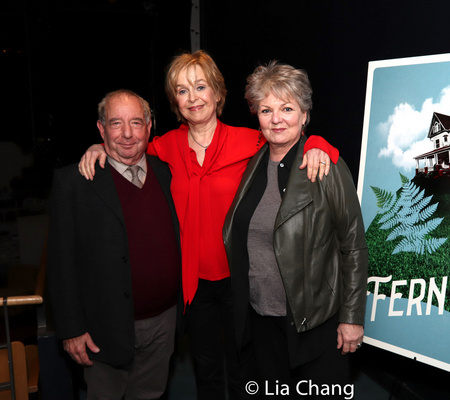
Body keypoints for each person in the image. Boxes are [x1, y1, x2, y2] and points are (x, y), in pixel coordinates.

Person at [78, 51, 339, 399]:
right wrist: (98, 147)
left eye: (200, 87)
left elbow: (293, 139)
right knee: (206, 371)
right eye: (182, 91)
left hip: (242, 279)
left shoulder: (251, 140)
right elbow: (126, 146)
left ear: (217, 92)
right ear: (175, 102)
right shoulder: (164, 147)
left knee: (246, 369)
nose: (193, 97)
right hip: (193, 284)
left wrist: (319, 144)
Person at [223, 61, 368, 399]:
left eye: (287, 108)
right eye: (266, 110)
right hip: (262, 322)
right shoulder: (253, 166)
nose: (276, 119)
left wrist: (352, 317)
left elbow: (353, 246)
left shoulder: (325, 165)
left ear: (304, 115)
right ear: (256, 116)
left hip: (315, 325)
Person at [47, 89, 181, 399]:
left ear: (150, 126)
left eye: (135, 122)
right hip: (101, 329)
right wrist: (70, 330)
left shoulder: (167, 173)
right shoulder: (75, 182)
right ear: (101, 128)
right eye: (116, 123)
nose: (126, 133)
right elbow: (61, 262)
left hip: (164, 323)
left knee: (151, 395)